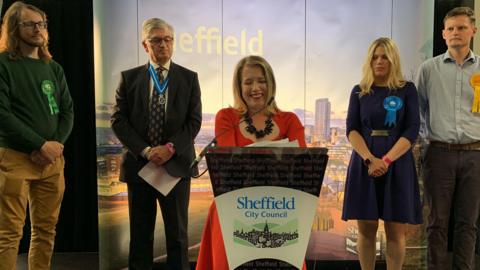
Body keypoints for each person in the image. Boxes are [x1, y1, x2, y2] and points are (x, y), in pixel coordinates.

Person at [196, 55, 306, 269]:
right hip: (233, 208)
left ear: (271, 84)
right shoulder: (226, 118)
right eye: (248, 82)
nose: (256, 87)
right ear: (239, 87)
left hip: (279, 209)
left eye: (262, 81)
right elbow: (229, 167)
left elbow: (300, 167)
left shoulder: (290, 120)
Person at [111, 17, 201, 270]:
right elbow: (118, 120)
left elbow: (193, 122)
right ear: (145, 45)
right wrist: (148, 150)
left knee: (177, 237)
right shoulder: (129, 79)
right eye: (156, 40)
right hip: (141, 166)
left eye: (167, 40)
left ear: (173, 43)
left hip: (175, 168)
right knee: (140, 237)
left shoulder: (189, 78)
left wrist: (169, 148)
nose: (163, 45)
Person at [0, 2, 74, 270]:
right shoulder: (3, 65)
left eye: (41, 24)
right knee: (8, 234)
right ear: (13, 28)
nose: (38, 29)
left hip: (52, 162)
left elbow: (67, 111)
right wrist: (40, 144)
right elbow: (2, 115)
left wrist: (54, 146)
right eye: (29, 24)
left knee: (45, 231)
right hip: (15, 159)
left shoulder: (53, 67)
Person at [341, 37, 422, 270]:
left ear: (393, 59)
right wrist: (370, 159)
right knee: (366, 229)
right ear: (369, 60)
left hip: (397, 165)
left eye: (384, 56)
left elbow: (412, 129)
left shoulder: (407, 90)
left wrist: (385, 160)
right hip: (364, 164)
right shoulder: (359, 91)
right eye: (375, 56)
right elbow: (352, 129)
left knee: (396, 231)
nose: (379, 61)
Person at [416, 7, 480, 270]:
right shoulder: (428, 69)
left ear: (473, 31)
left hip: (475, 155)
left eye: (462, 27)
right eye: (451, 28)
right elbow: (418, 110)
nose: (456, 32)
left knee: (468, 223)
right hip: (439, 154)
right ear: (443, 34)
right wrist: (423, 147)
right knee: (436, 224)